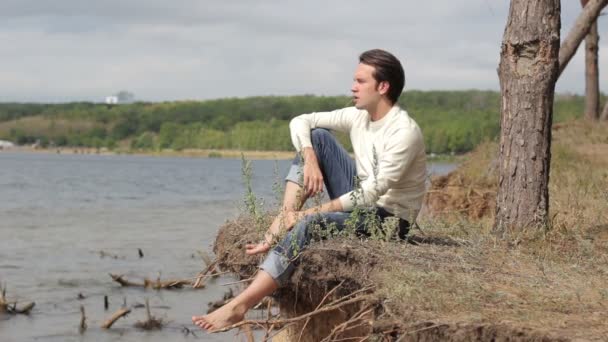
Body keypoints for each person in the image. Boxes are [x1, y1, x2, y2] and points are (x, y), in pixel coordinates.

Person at [192, 49, 427, 331]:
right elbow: (300, 121)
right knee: (316, 137)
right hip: (364, 199)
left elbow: (371, 194)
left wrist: (311, 212)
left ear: (383, 87)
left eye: (360, 81)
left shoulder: (403, 131)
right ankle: (284, 217)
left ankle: (240, 305)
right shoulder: (358, 117)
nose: (353, 87)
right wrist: (310, 156)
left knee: (311, 224)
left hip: (389, 219)